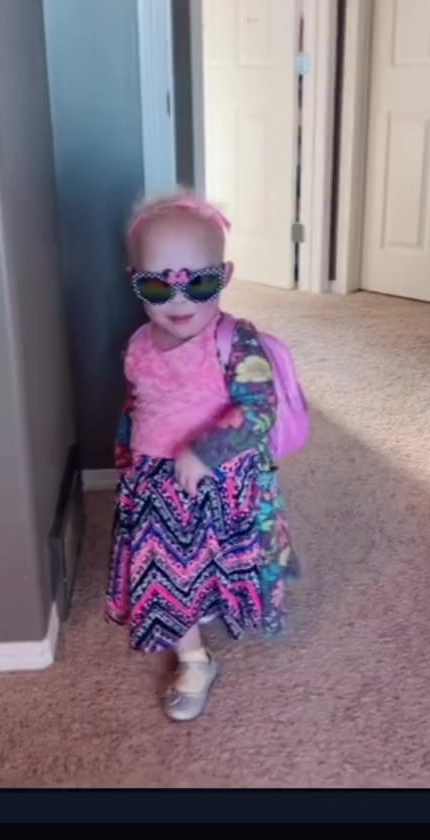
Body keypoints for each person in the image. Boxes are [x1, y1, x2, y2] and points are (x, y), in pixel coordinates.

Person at [106, 191, 298, 721]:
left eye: (200, 282)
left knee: (219, 566)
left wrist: (204, 450)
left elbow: (259, 411)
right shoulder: (139, 342)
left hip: (221, 485)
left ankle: (216, 608)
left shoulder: (236, 343)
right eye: (157, 285)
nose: (179, 299)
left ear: (225, 275)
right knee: (164, 571)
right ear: (135, 280)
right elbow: (136, 404)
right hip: (156, 487)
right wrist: (125, 457)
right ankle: (193, 658)